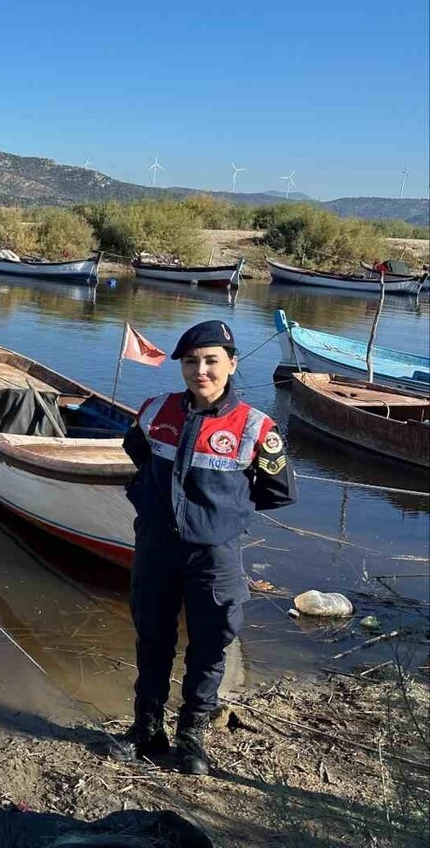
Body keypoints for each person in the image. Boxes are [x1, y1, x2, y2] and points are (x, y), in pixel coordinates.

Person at [110, 320, 296, 774]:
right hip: (156, 547)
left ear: (231, 364)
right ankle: (146, 731)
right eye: (191, 362)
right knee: (152, 638)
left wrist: (220, 514)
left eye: (211, 360)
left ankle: (191, 738)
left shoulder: (256, 426)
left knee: (212, 643)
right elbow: (138, 452)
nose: (201, 371)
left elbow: (277, 490)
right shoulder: (155, 411)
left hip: (214, 555)